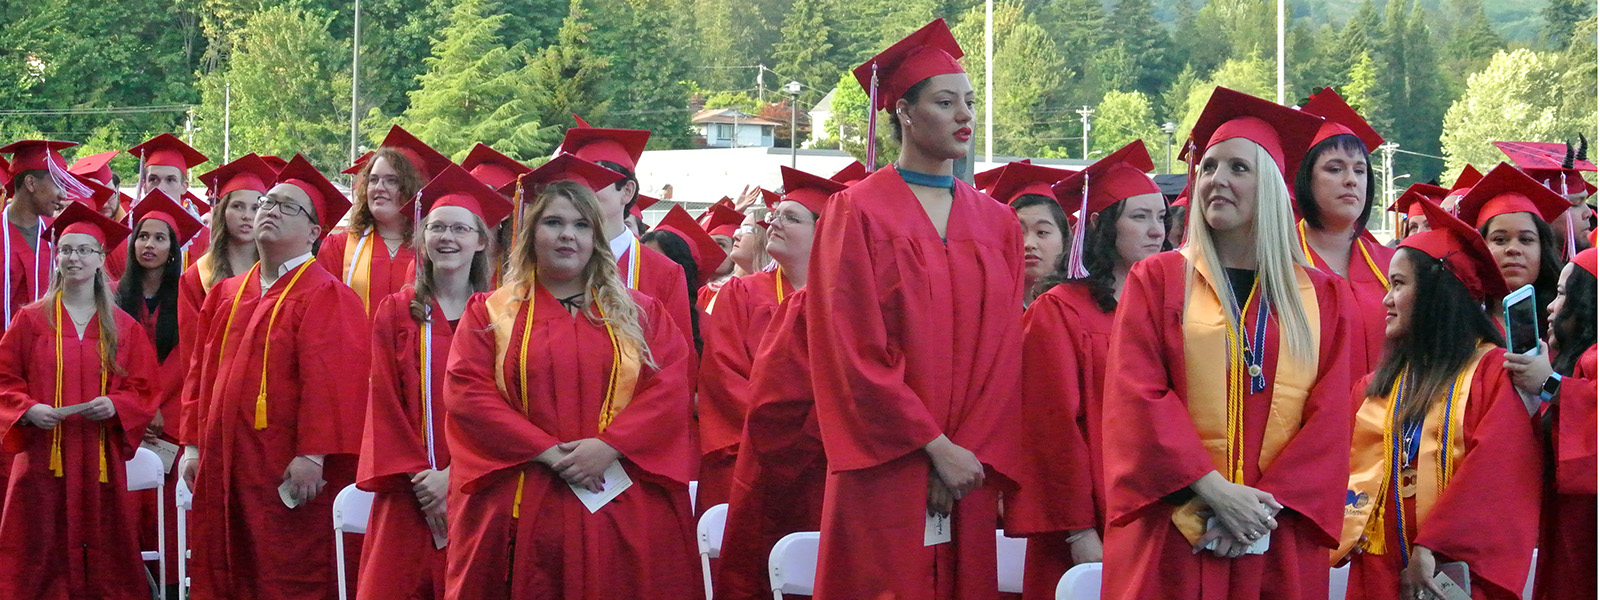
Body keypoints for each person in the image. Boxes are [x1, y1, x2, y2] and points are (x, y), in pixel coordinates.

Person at [1101, 87, 1354, 600]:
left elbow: (1330, 419)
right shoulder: (1159, 279)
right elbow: (1136, 397)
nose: (1217, 180)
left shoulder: (1324, 295)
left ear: (1272, 188)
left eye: (1238, 168)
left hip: (1276, 532)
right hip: (1175, 525)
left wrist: (1257, 511)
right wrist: (1211, 490)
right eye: (1210, 166)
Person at [804, 20, 1025, 598]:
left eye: (969, 103)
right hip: (886, 467)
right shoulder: (857, 212)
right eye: (945, 102)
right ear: (903, 110)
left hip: (969, 473)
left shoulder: (997, 222)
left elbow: (1005, 353)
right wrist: (932, 448)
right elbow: (849, 349)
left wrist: (964, 454)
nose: (963, 117)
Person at [442, 178, 700, 598]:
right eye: (553, 222)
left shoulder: (640, 313)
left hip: (618, 490)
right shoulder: (491, 312)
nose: (567, 234)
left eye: (581, 225)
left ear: (596, 238)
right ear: (531, 234)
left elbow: (669, 387)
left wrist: (609, 446)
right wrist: (545, 450)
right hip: (522, 492)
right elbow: (467, 393)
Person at [178, 155, 369, 600]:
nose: (270, 210)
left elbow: (334, 382)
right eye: (267, 201)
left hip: (285, 463)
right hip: (226, 456)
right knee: (226, 561)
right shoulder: (227, 291)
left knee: (284, 568)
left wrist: (314, 455)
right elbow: (200, 372)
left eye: (288, 207)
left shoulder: (327, 295)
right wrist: (191, 445)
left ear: (315, 233)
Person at [1338, 199, 1542, 600]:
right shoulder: (1374, 387)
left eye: (1398, 284)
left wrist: (1435, 545)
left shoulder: (1493, 373)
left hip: (1453, 573)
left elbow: (1498, 473)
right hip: (1379, 570)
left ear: (1436, 294)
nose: (1386, 299)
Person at [1007, 140, 1167, 600]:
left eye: (1159, 216)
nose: (1156, 230)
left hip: (1159, 515)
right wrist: (1078, 531)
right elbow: (1048, 430)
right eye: (1140, 217)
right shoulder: (1059, 311)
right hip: (1086, 523)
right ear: (1099, 224)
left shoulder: (1168, 309)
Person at [357, 164, 509, 600]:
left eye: (461, 229)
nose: (447, 238)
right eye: (437, 227)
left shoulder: (502, 316)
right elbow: (383, 400)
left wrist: (455, 475)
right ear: (421, 239)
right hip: (409, 490)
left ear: (481, 241)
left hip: (479, 485)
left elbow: (509, 409)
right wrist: (425, 481)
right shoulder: (396, 311)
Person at [0, 203, 157, 599]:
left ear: (101, 259)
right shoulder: (31, 320)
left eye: (84, 250)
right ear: (57, 258)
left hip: (99, 455)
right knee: (36, 545)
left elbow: (143, 387)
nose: (74, 257)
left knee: (105, 543)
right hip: (41, 456)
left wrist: (117, 405)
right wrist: (26, 408)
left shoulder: (123, 327)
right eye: (66, 249)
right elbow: (3, 379)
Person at [696, 167, 841, 515]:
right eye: (775, 215)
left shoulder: (845, 301)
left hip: (828, 463)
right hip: (752, 457)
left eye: (790, 218)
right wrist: (786, 438)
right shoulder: (741, 293)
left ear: (823, 231)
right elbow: (723, 376)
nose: (772, 223)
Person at [115, 190, 203, 596]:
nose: (148, 245)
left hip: (170, 426)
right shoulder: (113, 296)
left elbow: (191, 364)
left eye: (159, 238)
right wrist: (136, 412)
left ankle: (169, 588)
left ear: (173, 249)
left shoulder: (186, 296)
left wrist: (163, 412)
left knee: (166, 520)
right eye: (142, 236)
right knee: (124, 516)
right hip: (125, 424)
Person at [558, 124, 696, 361]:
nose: (584, 192)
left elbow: (678, 362)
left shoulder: (665, 274)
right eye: (578, 180)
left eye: (596, 178)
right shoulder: (555, 262)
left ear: (627, 191)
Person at [1503, 248, 1596, 600]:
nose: (1550, 307)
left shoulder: (1595, 357)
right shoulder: (1573, 359)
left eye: (1561, 294)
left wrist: (1550, 386)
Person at [1295, 87, 1395, 374]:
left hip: (1387, 415)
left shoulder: (1392, 265)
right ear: (1306, 178)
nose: (1351, 180)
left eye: (1360, 170)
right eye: (1335, 169)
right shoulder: (1277, 260)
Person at [319, 127, 451, 316]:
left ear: (414, 190)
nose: (379, 188)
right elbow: (323, 312)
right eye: (373, 180)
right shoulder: (339, 247)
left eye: (392, 181)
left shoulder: (432, 249)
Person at [1453, 163, 1569, 329]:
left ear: (1542, 249)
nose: (1513, 249)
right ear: (1479, 247)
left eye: (1526, 240)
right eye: (1500, 240)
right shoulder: (1460, 325)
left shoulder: (1565, 324)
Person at [0, 140, 78, 331]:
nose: (63, 194)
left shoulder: (59, 233)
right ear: (31, 183)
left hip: (48, 351)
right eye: (58, 184)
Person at [986, 161, 1074, 304]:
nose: (1029, 244)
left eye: (1042, 232)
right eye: (1019, 233)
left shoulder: (1076, 308)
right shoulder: (989, 305)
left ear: (1065, 239)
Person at [127, 134, 210, 272]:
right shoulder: (129, 230)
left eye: (170, 180)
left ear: (184, 186)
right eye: (153, 179)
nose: (161, 188)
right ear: (144, 185)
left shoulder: (202, 237)